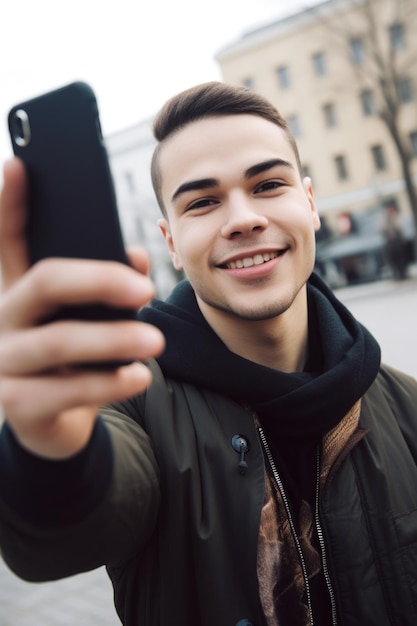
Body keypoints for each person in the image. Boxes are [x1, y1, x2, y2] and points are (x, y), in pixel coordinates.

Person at [1, 82, 417, 626]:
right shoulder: (129, 402)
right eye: (202, 201)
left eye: (268, 184)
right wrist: (50, 444)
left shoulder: (405, 405)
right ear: (170, 241)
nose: (243, 219)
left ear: (310, 204)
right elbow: (65, 537)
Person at [381, 198, 409, 280]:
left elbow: (400, 227)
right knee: (392, 260)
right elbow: (382, 229)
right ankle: (396, 275)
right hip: (390, 242)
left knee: (402, 258)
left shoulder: (397, 217)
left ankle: (403, 273)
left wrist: (394, 218)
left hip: (398, 241)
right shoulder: (384, 219)